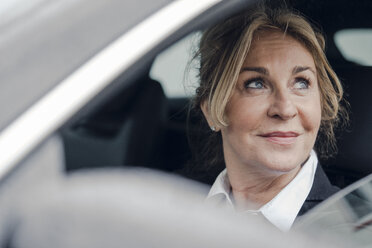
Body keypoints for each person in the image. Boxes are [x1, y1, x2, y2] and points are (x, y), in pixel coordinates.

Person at [188, 5, 348, 232]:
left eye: (301, 83)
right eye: (256, 84)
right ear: (211, 109)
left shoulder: (352, 234)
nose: (285, 109)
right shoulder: (173, 206)